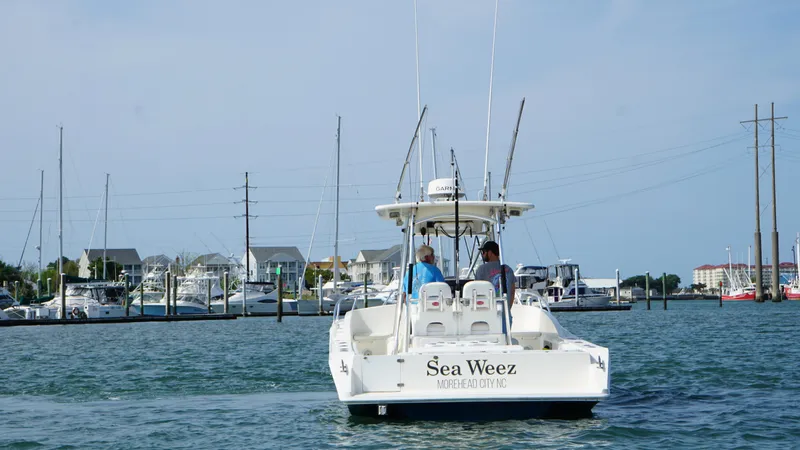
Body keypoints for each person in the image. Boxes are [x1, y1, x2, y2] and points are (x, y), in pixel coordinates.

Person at [475, 240, 515, 307]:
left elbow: (477, 292)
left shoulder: (481, 269)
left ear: (490, 253)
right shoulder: (509, 269)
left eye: (484, 252)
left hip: (489, 314)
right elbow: (512, 292)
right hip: (506, 314)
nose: (483, 254)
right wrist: (507, 310)